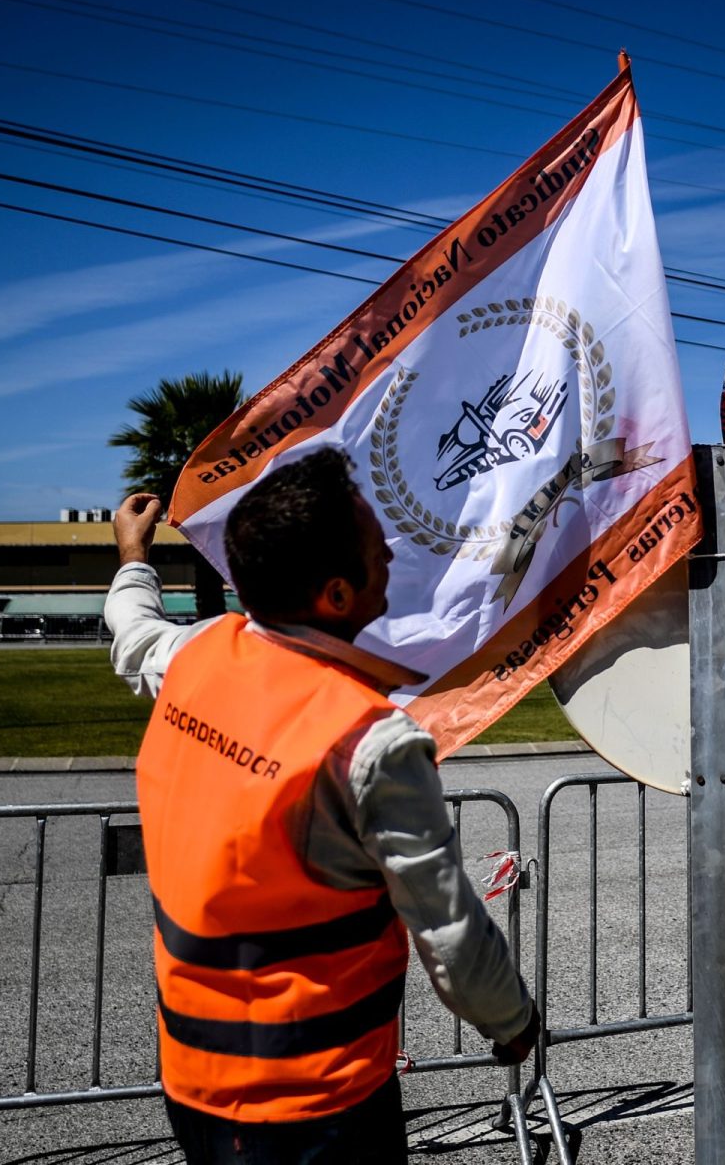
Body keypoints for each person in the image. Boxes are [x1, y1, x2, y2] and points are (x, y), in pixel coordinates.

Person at [105, 448, 539, 1163]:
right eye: (379, 551)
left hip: (193, 1086)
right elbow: (450, 933)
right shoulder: (370, 742)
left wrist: (132, 555)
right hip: (318, 1109)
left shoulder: (200, 655)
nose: (393, 564)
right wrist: (513, 1021)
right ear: (337, 596)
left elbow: (134, 632)